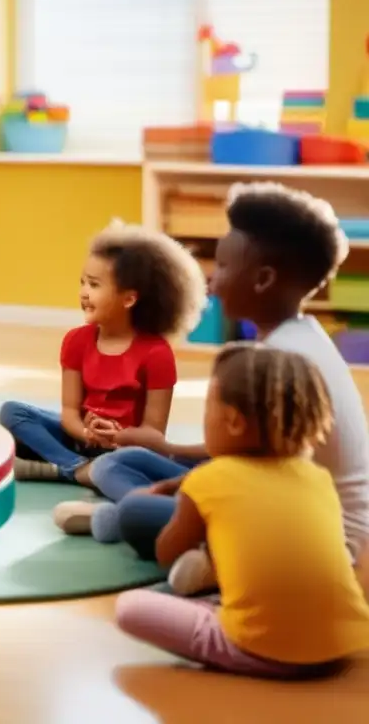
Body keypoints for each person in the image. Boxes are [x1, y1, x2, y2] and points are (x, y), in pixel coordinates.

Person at [79, 183, 369, 594]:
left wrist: (174, 490)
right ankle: (158, 517)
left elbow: (254, 479)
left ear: (264, 279)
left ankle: (210, 559)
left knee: (136, 512)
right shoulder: (294, 338)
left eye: (225, 266)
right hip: (271, 492)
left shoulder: (284, 364)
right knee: (120, 463)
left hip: (308, 535)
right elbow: (242, 458)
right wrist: (168, 452)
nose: (212, 280)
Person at [115, 343, 369, 679]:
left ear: (233, 422)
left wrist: (204, 527)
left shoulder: (208, 479)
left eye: (208, 406)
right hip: (342, 647)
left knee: (130, 607)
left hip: (261, 650)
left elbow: (166, 551)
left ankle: (227, 613)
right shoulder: (318, 477)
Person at [0, 222, 206, 484]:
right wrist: (87, 434)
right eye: (82, 282)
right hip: (79, 441)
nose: (84, 293)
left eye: (95, 285)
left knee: (130, 467)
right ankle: (78, 469)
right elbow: (69, 413)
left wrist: (117, 436)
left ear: (129, 299)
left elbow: (153, 433)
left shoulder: (157, 354)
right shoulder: (76, 341)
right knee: (12, 412)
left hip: (125, 449)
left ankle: (66, 469)